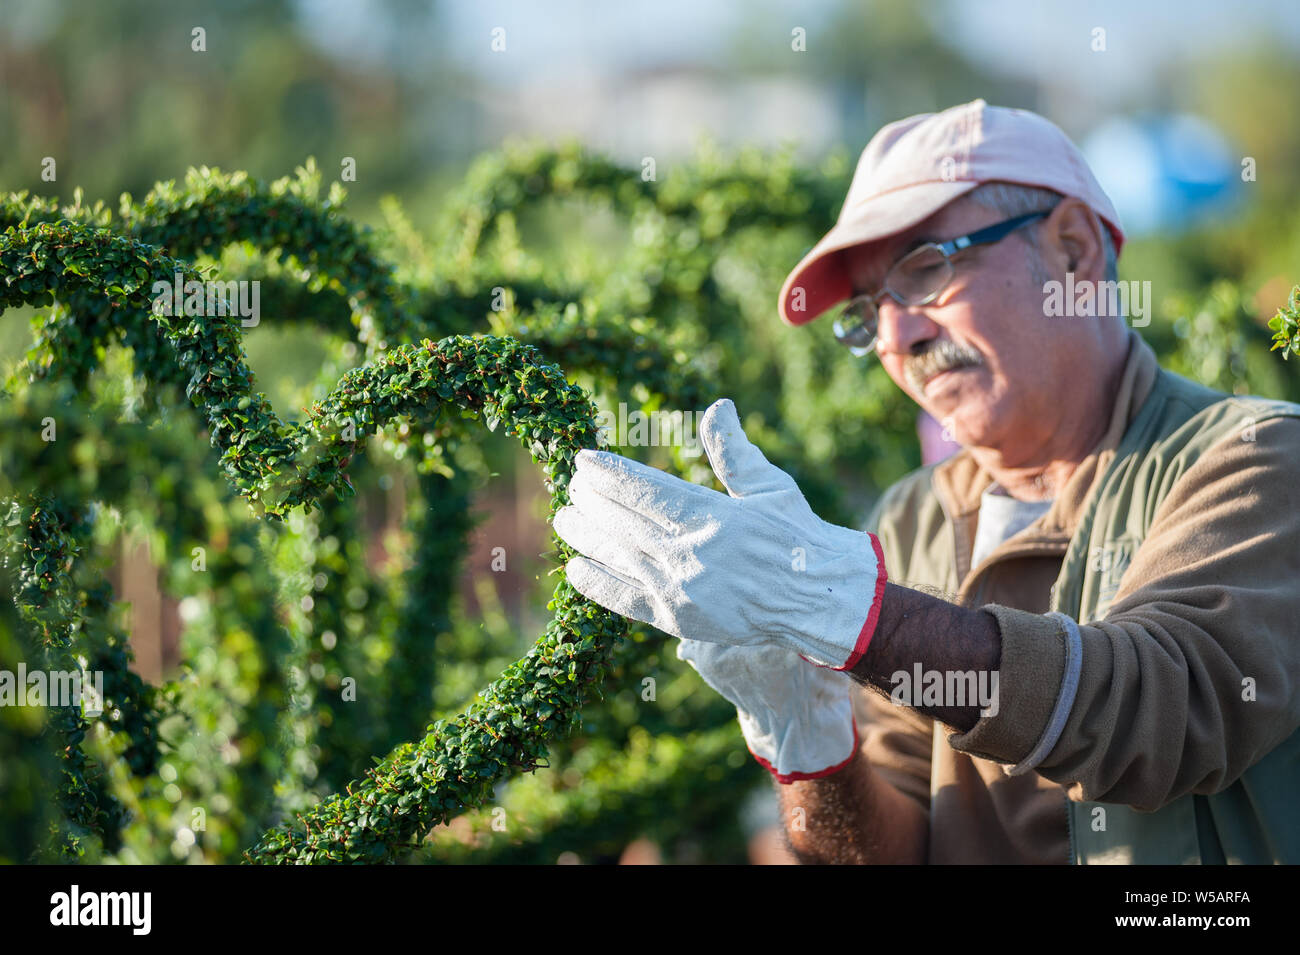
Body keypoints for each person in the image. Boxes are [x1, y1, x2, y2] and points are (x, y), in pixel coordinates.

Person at [553, 99, 1300, 864]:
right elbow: (892, 849)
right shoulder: (912, 519)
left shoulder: (1254, 457)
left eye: (926, 269)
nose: (896, 335)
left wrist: (852, 613)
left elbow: (1156, 714)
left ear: (1072, 251)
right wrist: (812, 751)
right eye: (867, 312)